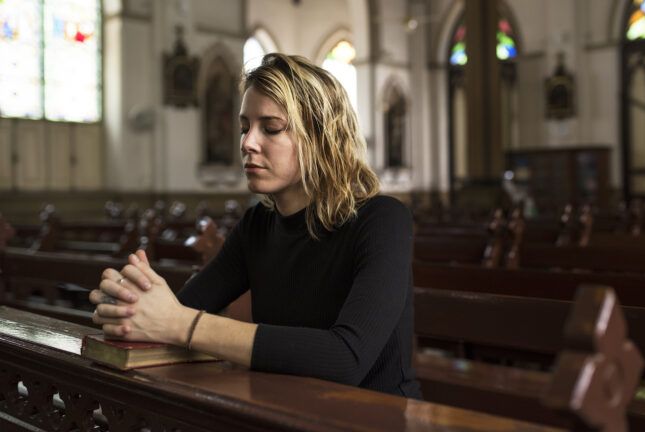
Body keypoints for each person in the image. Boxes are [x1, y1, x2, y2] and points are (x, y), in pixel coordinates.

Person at [89, 53, 422, 398]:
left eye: (271, 128)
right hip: (287, 409)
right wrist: (129, 303)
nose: (247, 143)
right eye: (245, 127)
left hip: (376, 416)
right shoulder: (257, 226)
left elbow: (346, 359)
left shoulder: (383, 220)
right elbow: (177, 310)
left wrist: (182, 325)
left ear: (321, 136)